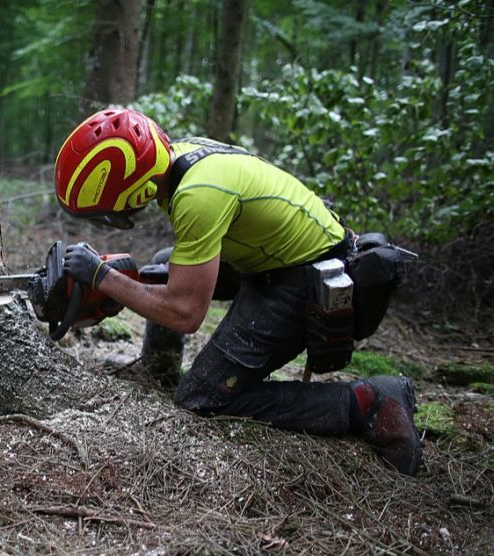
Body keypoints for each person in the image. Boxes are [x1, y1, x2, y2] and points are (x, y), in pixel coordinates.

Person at [54, 108, 421, 476]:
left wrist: (104, 277)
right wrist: (128, 282)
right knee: (165, 265)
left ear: (136, 190)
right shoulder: (178, 159)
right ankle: (160, 364)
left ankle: (367, 401)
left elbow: (186, 314)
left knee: (202, 398)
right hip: (270, 257)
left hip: (300, 278)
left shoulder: (198, 194)